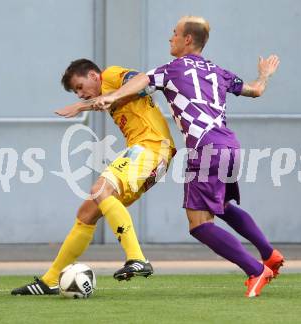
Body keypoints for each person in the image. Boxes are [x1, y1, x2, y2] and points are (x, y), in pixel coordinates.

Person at [94, 16, 283, 298]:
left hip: (205, 147)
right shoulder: (217, 71)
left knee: (199, 225)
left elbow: (142, 81)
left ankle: (256, 270)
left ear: (187, 40)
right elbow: (255, 90)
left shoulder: (172, 69)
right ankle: (270, 255)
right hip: (229, 145)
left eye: (174, 33)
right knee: (222, 206)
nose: (170, 38)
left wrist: (111, 97)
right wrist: (264, 74)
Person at [11, 59, 176, 295]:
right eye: (76, 92)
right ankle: (50, 280)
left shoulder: (110, 75)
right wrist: (81, 107)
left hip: (151, 147)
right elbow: (113, 97)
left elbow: (141, 81)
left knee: (100, 189)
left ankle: (137, 258)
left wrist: (98, 101)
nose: (80, 94)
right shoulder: (108, 92)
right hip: (151, 153)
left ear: (93, 75)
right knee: (86, 213)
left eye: (79, 87)